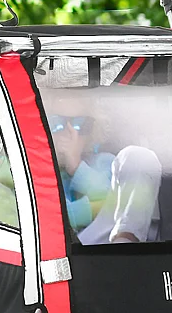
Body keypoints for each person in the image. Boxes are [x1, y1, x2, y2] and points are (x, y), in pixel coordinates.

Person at [44, 90, 163, 244]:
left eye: (80, 124)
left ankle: (126, 243)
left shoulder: (106, 163)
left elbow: (113, 201)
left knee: (138, 156)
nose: (70, 133)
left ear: (92, 131)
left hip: (109, 241)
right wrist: (87, 210)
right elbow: (49, 219)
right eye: (57, 123)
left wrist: (75, 165)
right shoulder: (37, 172)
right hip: (68, 252)